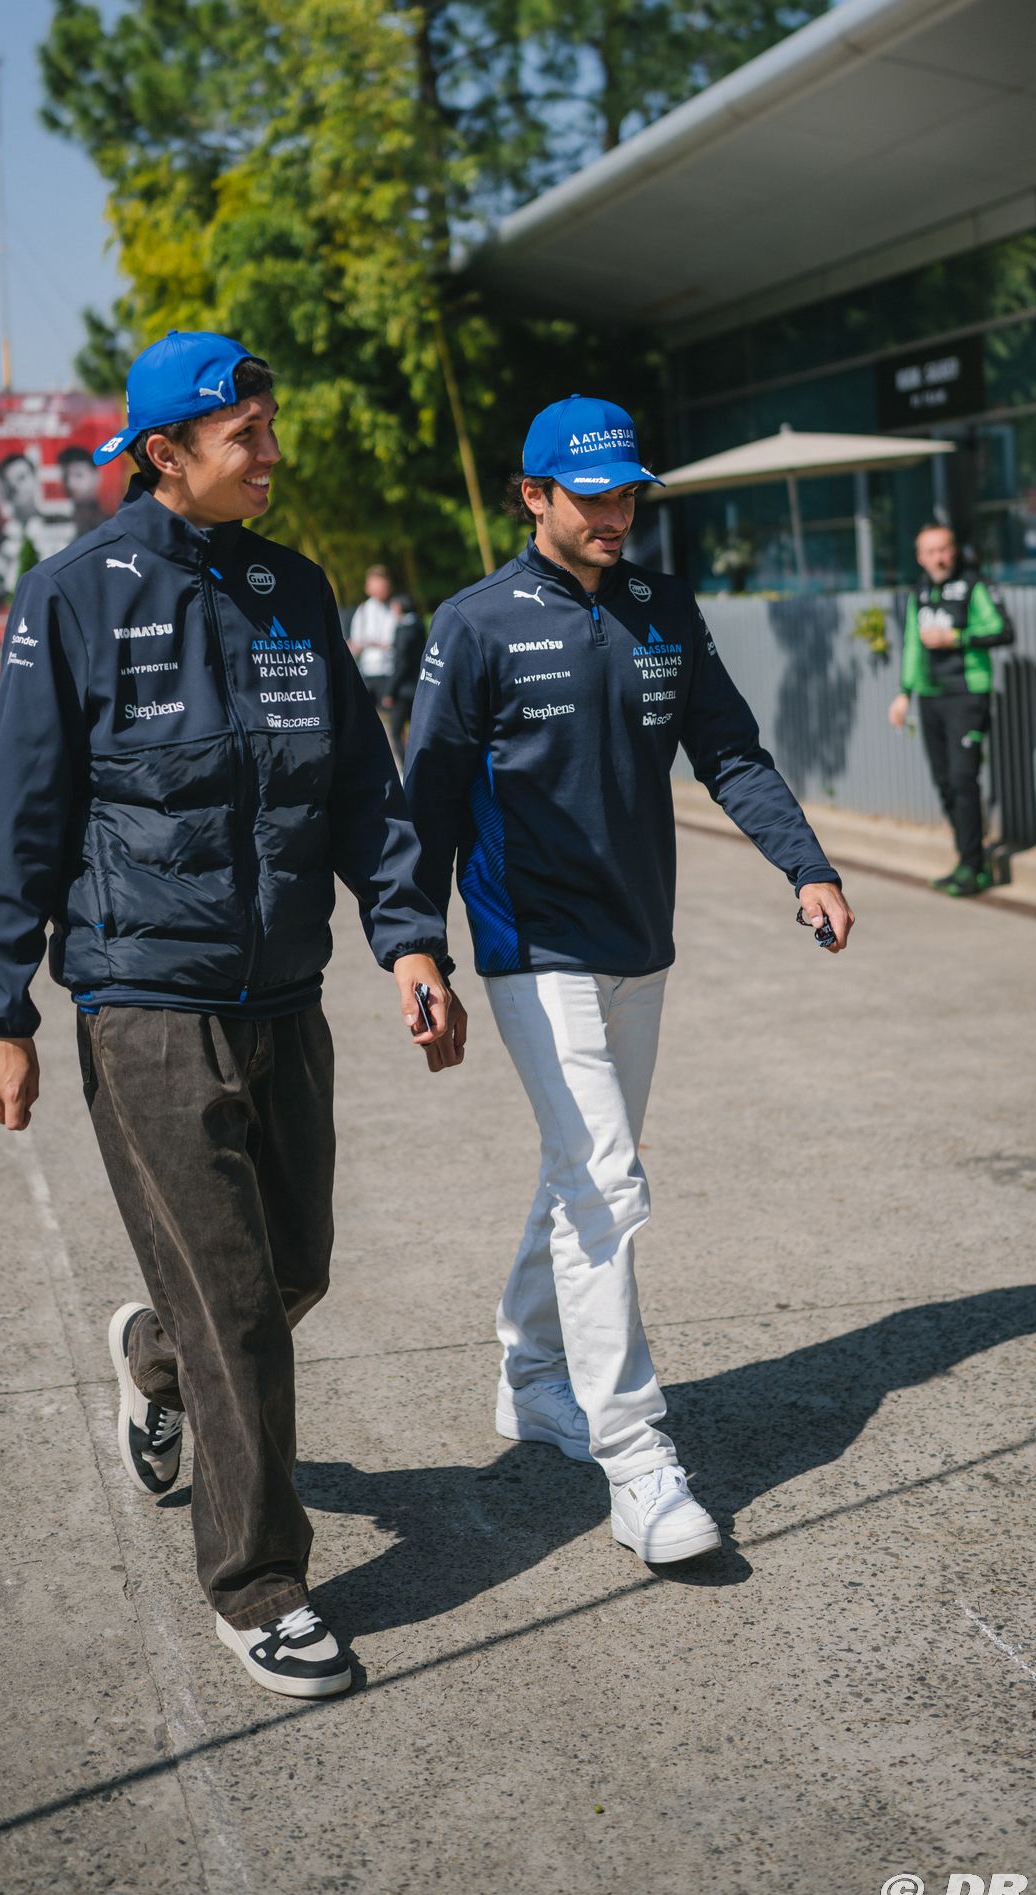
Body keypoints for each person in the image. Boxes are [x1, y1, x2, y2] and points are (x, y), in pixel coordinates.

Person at [0, 329, 466, 1702]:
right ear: (162, 454)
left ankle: (151, 1355)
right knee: (239, 1308)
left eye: (270, 425)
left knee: (293, 1267)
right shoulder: (73, 596)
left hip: (284, 995)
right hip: (143, 1002)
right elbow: (22, 814)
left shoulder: (292, 588)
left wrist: (409, 941)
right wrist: (0, 1011)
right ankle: (261, 1587)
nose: (273, 452)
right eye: (247, 434)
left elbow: (361, 788)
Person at [403, 394, 853, 1568]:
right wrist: (416, 947)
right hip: (531, 943)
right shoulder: (474, 624)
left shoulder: (662, 607)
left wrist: (803, 865)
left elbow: (729, 752)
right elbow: (427, 799)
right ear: (532, 496)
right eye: (591, 496)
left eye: (627, 495)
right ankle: (635, 1458)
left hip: (637, 940)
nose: (615, 515)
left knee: (581, 1172)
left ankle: (529, 1372)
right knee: (604, 1182)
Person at [888, 522, 1010, 897]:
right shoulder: (920, 591)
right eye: (931, 551)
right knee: (944, 782)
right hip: (930, 696)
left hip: (967, 694)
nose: (939, 558)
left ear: (953, 550)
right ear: (919, 557)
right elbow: (912, 643)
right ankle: (965, 860)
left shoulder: (974, 585)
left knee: (962, 779)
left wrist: (956, 637)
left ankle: (975, 868)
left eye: (944, 549)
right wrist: (904, 692)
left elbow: (1003, 630)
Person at [384, 593, 426, 765]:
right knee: (418, 730)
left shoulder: (404, 629)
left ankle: (407, 767)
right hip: (420, 684)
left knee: (395, 732)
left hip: (403, 689)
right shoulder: (419, 625)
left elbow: (401, 662)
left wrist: (389, 690)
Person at [348, 563, 397, 703]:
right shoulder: (363, 610)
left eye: (382, 586)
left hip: (390, 671)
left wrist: (371, 643)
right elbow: (355, 642)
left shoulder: (396, 608)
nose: (379, 590)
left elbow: (397, 642)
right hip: (367, 671)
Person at [56, 445, 106, 537]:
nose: (70, 484)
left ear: (96, 476)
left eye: (78, 475)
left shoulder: (110, 523)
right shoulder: (57, 523)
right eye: (65, 476)